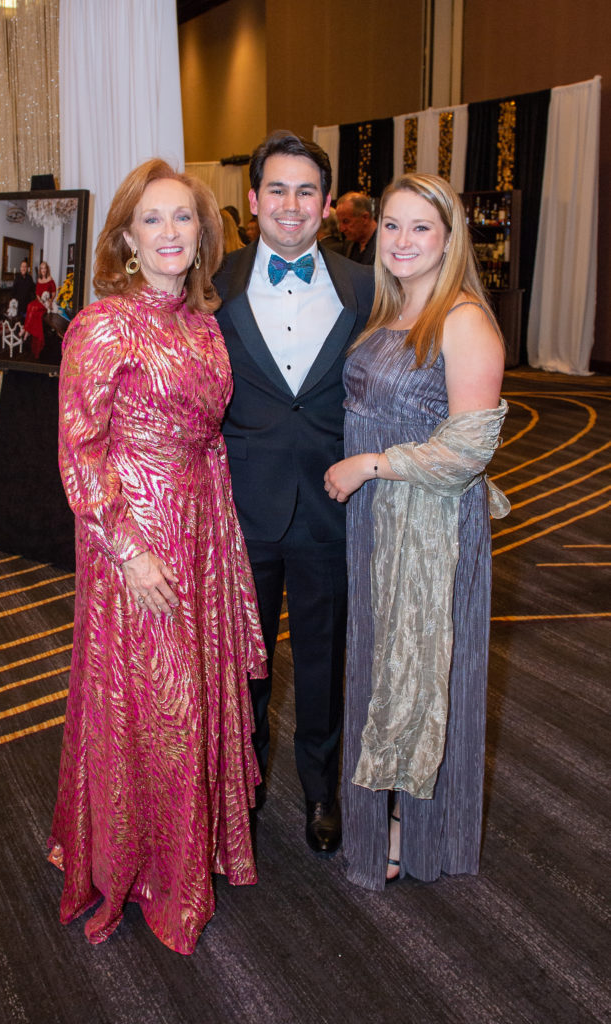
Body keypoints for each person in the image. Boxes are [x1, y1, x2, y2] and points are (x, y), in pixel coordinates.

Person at [48, 158, 266, 955]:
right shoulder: (103, 324)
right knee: (155, 699)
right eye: (155, 220)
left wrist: (217, 540)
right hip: (136, 537)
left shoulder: (203, 324)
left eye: (185, 218)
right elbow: (80, 449)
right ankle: (144, 866)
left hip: (202, 527)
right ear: (128, 238)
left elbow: (209, 440)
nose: (173, 232)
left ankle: (183, 850)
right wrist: (131, 549)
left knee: (188, 694)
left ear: (204, 234)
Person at [324, 172, 510, 889]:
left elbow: (468, 450)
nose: (403, 241)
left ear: (449, 237)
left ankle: (423, 832)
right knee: (381, 670)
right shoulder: (391, 309)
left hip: (429, 525)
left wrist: (369, 464)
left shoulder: (463, 320)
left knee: (428, 675)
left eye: (420, 228)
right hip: (378, 522)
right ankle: (383, 819)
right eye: (393, 226)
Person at [214, 130, 374, 857]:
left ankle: (320, 792)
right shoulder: (209, 285)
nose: (290, 204)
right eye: (276, 189)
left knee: (322, 664)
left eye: (305, 191)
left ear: (327, 204)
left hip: (330, 510)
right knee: (241, 671)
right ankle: (239, 796)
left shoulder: (365, 288)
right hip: (240, 512)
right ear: (253, 201)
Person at [23, 260, 56, 358]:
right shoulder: (39, 280)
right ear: (40, 270)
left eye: (44, 268)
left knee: (33, 309)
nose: (43, 270)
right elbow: (37, 294)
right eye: (41, 268)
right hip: (40, 301)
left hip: (46, 303)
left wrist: (49, 300)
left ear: (47, 269)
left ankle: (26, 330)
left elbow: (54, 293)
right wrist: (39, 300)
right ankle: (27, 330)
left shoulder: (50, 280)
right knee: (30, 305)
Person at [336, 192, 378, 264]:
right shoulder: (348, 244)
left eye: (346, 221)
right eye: (339, 222)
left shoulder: (384, 245)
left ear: (365, 218)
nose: (341, 229)